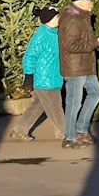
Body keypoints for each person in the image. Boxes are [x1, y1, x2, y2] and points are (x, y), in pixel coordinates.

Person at [59, 0, 99, 149]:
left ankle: (81, 129)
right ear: (79, 2)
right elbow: (71, 46)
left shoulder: (81, 16)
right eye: (89, 1)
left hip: (84, 65)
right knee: (74, 102)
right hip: (75, 67)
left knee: (96, 92)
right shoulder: (73, 18)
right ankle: (69, 137)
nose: (91, 3)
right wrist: (96, 44)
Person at [10, 8, 66, 141]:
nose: (59, 19)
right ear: (49, 20)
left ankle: (19, 130)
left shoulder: (54, 33)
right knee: (56, 106)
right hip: (45, 79)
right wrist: (28, 76)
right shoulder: (41, 35)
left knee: (37, 105)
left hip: (52, 76)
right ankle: (64, 132)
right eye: (57, 17)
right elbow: (30, 55)